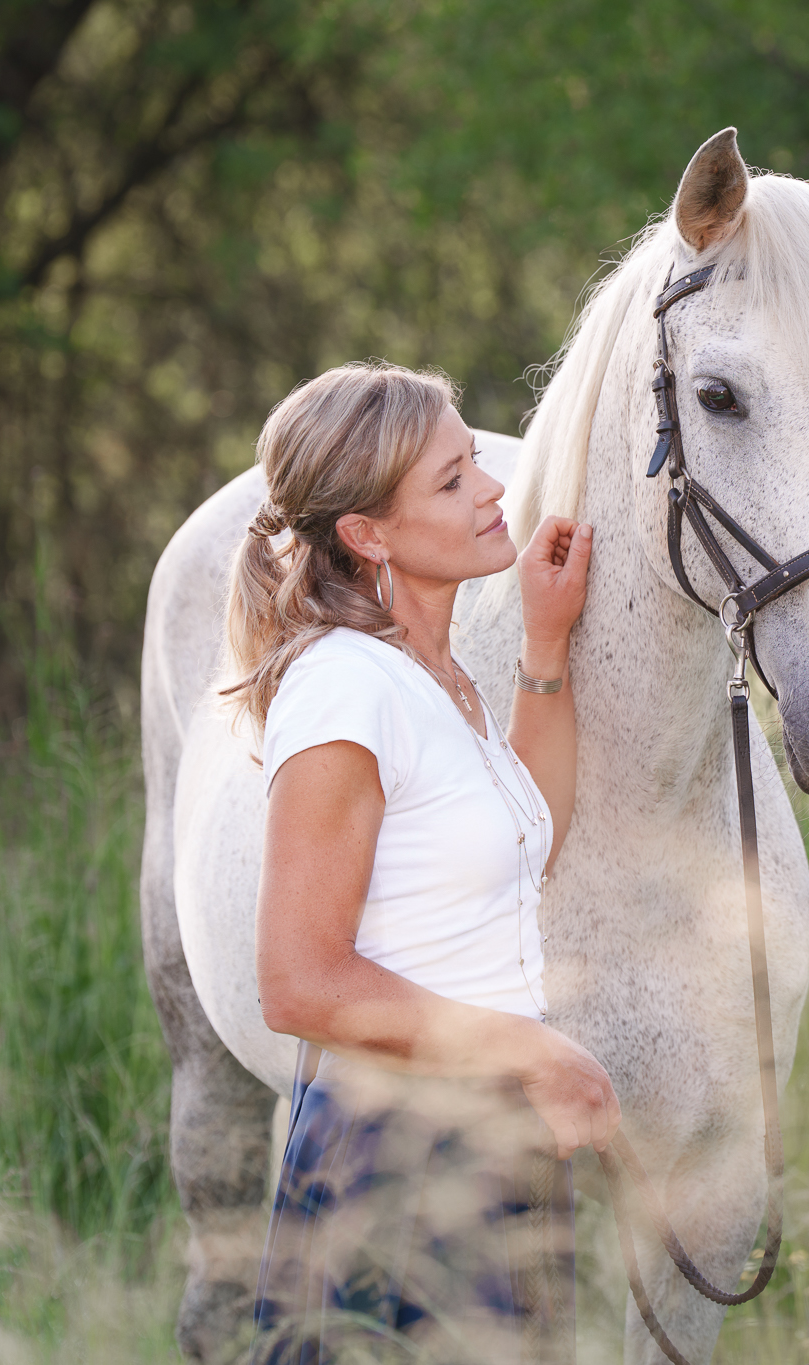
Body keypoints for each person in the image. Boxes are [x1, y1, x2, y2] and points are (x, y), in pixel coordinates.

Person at [220, 360, 616, 1364]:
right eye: (451, 480)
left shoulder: (432, 683)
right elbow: (298, 982)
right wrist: (536, 1051)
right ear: (366, 534)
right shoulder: (346, 689)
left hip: (486, 1134)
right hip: (393, 1155)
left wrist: (545, 640)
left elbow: (530, 840)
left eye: (474, 459)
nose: (491, 487)